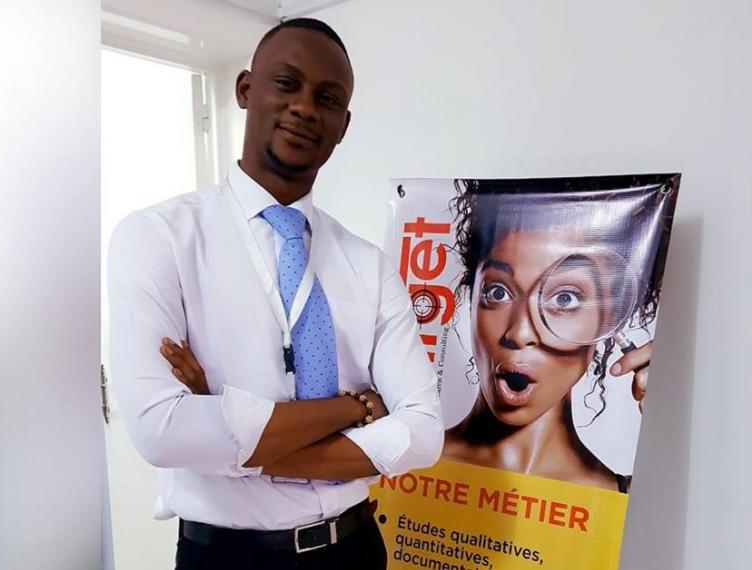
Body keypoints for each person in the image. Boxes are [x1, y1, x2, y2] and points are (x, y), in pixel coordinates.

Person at [107, 18, 443, 570]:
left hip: (353, 550)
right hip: (227, 558)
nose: (305, 108)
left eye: (327, 99)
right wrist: (356, 407)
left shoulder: (368, 265)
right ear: (246, 89)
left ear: (343, 126)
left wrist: (232, 439)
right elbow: (162, 433)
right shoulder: (159, 238)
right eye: (287, 84)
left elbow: (424, 434)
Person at [441, 178, 674, 492]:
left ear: (610, 318)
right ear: (471, 298)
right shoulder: (406, 462)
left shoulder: (619, 497)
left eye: (565, 298)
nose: (520, 333)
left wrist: (669, 424)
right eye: (498, 292)